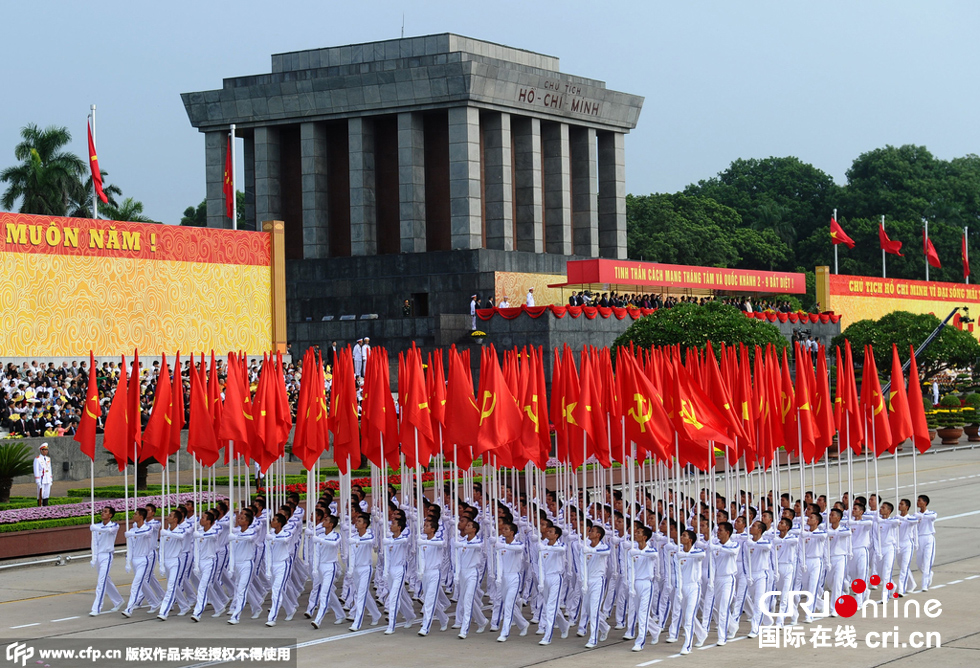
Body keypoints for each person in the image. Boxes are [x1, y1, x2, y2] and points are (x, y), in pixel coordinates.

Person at [309, 511, 347, 629]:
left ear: (331, 524)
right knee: (329, 592)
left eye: (326, 521)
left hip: (330, 567)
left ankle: (318, 619)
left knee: (324, 594)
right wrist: (315, 568)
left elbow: (334, 544)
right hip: (321, 566)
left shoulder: (336, 535)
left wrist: (319, 541)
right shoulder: (320, 536)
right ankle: (340, 614)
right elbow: (317, 554)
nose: (323, 522)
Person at [494, 521, 529, 642]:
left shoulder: (518, 544)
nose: (503, 531)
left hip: (514, 577)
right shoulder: (501, 544)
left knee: (508, 605)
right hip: (504, 578)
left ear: (512, 532)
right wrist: (498, 577)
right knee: (508, 604)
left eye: (506, 529)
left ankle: (504, 633)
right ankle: (523, 624)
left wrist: (503, 546)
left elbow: (519, 549)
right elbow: (499, 563)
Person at [191, 510, 228, 622]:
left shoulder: (216, 529)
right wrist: (196, 564)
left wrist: (200, 535)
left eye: (203, 518)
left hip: (210, 561)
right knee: (207, 586)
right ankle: (220, 606)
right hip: (200, 561)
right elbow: (196, 549)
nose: (200, 519)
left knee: (203, 587)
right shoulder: (199, 531)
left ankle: (197, 613)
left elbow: (212, 536)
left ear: (209, 521)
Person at [536, 524, 570, 646]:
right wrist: (540, 581)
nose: (548, 533)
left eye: (551, 531)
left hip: (556, 578)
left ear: (556, 535)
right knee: (549, 605)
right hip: (546, 578)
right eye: (547, 531)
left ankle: (547, 635)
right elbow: (541, 565)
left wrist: (545, 549)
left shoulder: (560, 545)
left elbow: (561, 550)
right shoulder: (543, 547)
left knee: (550, 607)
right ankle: (564, 625)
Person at [121, 508, 159, 618]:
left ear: (141, 517)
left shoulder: (148, 528)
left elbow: (145, 534)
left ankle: (129, 609)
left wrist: (132, 534)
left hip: (143, 559)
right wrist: (128, 561)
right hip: (135, 560)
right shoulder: (132, 530)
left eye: (136, 514)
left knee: (136, 584)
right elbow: (130, 547)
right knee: (143, 583)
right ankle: (155, 602)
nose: (133, 516)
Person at [578, 523, 611, 649]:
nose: (589, 532)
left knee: (594, 610)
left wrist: (591, 550)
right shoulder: (585, 547)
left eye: (592, 531)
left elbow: (606, 552)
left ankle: (593, 638)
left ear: (598, 535)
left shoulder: (604, 547)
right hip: (587, 581)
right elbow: (582, 565)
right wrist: (583, 581)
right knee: (587, 609)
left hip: (598, 581)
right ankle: (604, 626)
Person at [454, 518, 488, 639]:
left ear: (474, 529)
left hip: (472, 573)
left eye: (469, 525)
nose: (466, 527)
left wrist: (462, 544)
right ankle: (482, 621)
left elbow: (477, 547)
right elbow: (458, 560)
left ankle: (464, 629)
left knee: (468, 600)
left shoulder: (478, 542)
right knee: (467, 599)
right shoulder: (462, 541)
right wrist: (456, 575)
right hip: (463, 573)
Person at [382, 515, 416, 634]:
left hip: (399, 570)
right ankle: (410, 615)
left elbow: (405, 540)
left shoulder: (403, 539)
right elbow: (387, 558)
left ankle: (391, 625)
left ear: (399, 527)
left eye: (393, 524)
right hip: (391, 570)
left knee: (394, 597)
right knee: (398, 595)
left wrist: (390, 541)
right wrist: (385, 572)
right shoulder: (389, 540)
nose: (391, 526)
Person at [348, 513, 382, 631]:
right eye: (356, 521)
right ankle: (376, 614)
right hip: (357, 569)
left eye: (359, 522)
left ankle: (357, 623)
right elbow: (352, 554)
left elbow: (370, 542)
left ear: (365, 525)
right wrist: (350, 569)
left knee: (360, 596)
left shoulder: (369, 535)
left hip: (365, 569)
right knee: (364, 594)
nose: (356, 523)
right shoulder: (354, 536)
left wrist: (355, 542)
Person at [89, 506, 123, 616]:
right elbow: (94, 543)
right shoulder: (97, 526)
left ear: (110, 515)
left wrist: (95, 528)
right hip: (98, 555)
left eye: (105, 512)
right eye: (102, 511)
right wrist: (93, 558)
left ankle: (97, 607)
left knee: (101, 581)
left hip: (107, 556)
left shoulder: (114, 526)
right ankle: (118, 600)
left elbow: (108, 530)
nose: (103, 513)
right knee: (106, 580)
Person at [915, 495, 937, 591]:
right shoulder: (916, 514)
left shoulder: (931, 513)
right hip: (919, 539)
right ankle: (929, 574)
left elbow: (932, 517)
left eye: (919, 501)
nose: (917, 502)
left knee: (927, 561)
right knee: (919, 564)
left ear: (925, 503)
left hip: (928, 538)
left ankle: (924, 585)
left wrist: (921, 516)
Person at [34, 443, 52, 507]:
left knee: (47, 493)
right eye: (45, 450)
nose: (46, 451)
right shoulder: (37, 459)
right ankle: (40, 506)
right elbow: (36, 470)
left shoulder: (48, 459)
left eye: (47, 450)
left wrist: (50, 479)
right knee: (40, 494)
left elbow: (49, 469)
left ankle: (45, 505)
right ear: (41, 450)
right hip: (41, 478)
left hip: (47, 478)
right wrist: (38, 480)